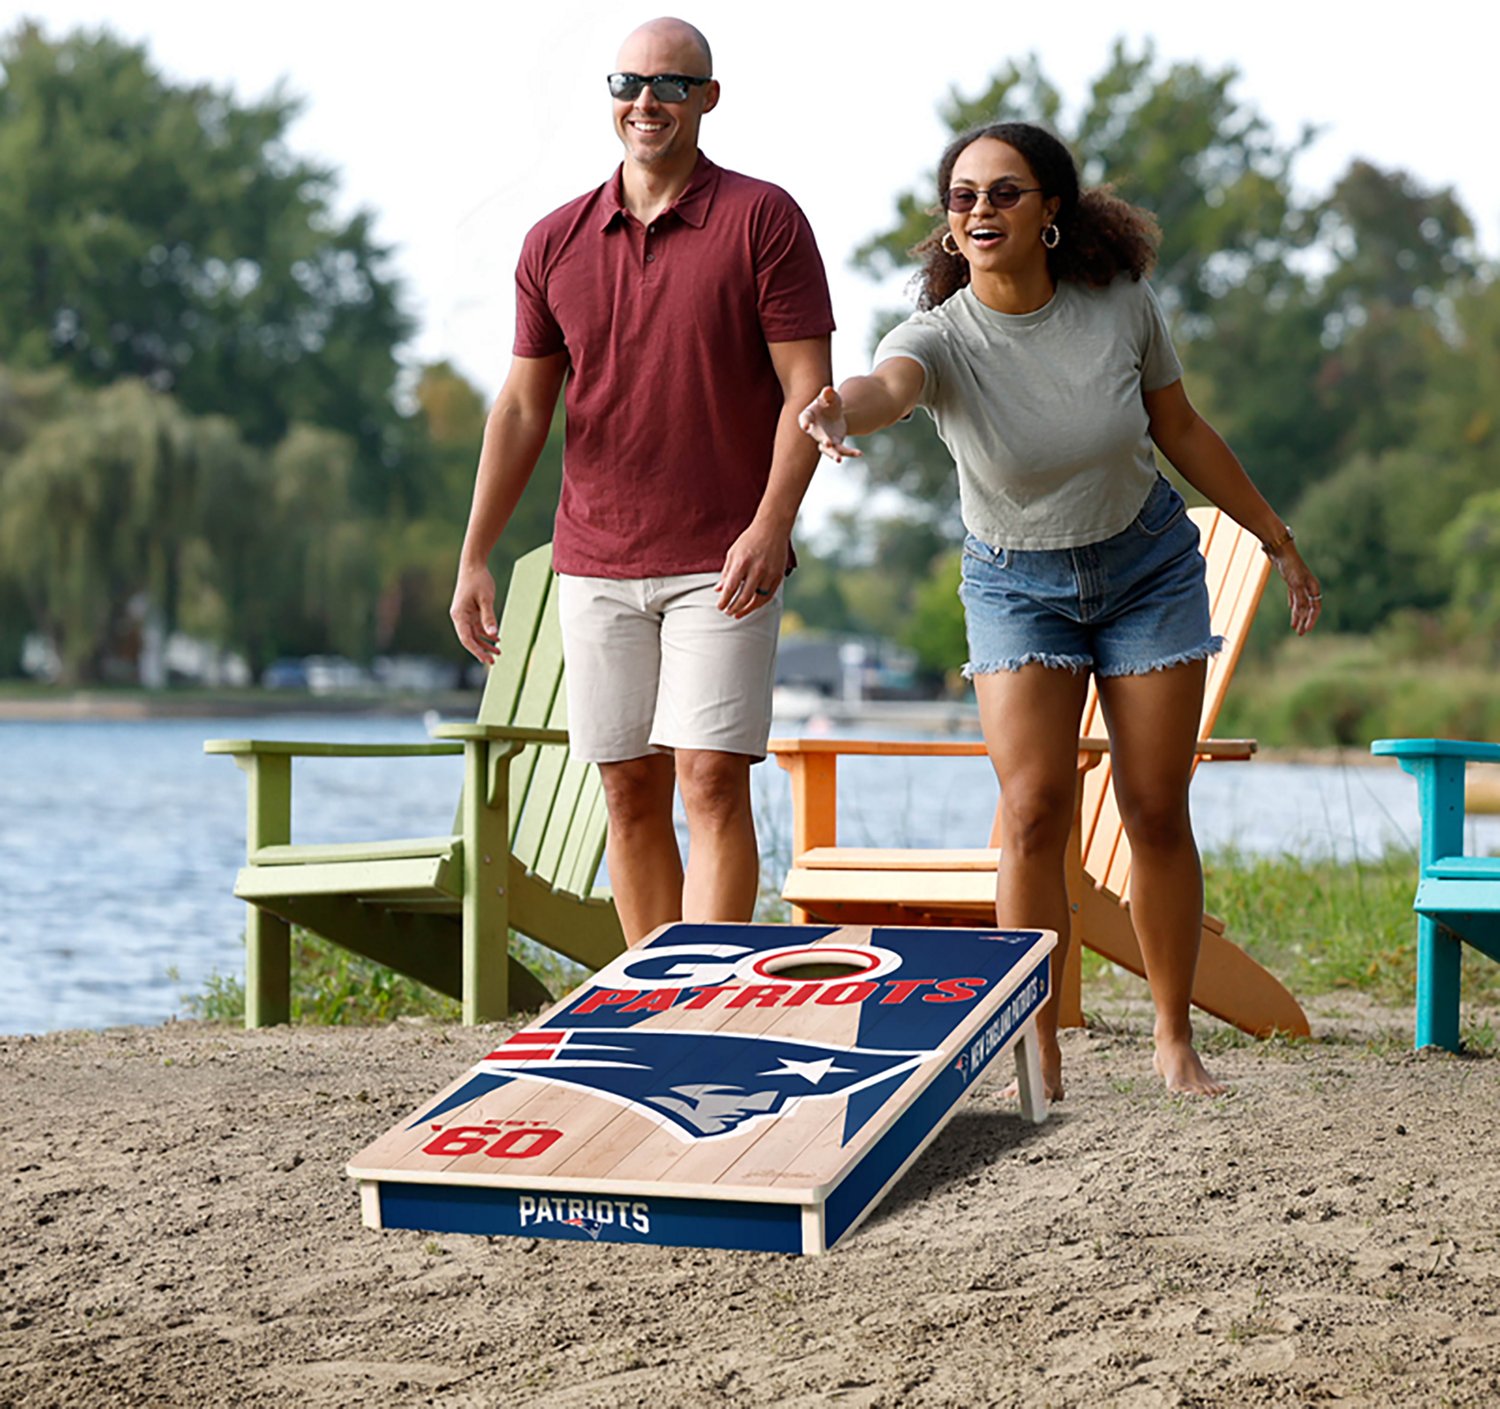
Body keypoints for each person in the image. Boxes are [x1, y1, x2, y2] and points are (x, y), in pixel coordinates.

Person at [799, 122, 1320, 1097]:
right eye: (963, 196)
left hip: (1147, 569)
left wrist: (1273, 536)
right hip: (1014, 585)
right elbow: (887, 387)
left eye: (1004, 192)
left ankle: (1173, 1038)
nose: (981, 210)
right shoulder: (938, 336)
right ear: (947, 224)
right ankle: (1035, 1044)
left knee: (1154, 807)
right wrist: (837, 410)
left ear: (1050, 210)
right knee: (1035, 809)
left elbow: (1180, 428)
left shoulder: (1119, 304)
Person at [450, 17, 833, 946]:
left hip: (724, 558)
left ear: (709, 98)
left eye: (671, 84)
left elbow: (808, 392)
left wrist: (772, 524)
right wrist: (474, 556)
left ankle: (710, 995)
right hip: (595, 559)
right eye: (629, 83)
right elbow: (521, 410)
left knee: (711, 777)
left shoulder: (763, 219)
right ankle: (658, 994)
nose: (646, 101)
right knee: (627, 787)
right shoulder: (554, 240)